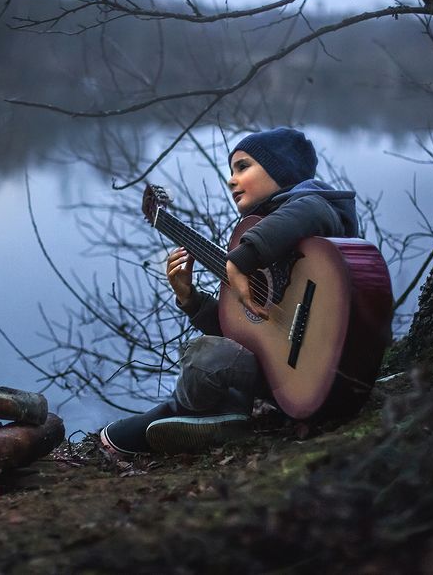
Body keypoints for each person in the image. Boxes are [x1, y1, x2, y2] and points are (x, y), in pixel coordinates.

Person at [99, 127, 361, 456]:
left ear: (282, 171)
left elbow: (311, 210)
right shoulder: (269, 237)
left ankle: (188, 414)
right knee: (211, 353)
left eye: (243, 167)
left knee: (203, 357)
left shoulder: (317, 207)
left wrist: (241, 259)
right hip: (292, 380)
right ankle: (221, 417)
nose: (231, 180)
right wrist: (190, 299)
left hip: (329, 370)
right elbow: (247, 334)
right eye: (230, 171)